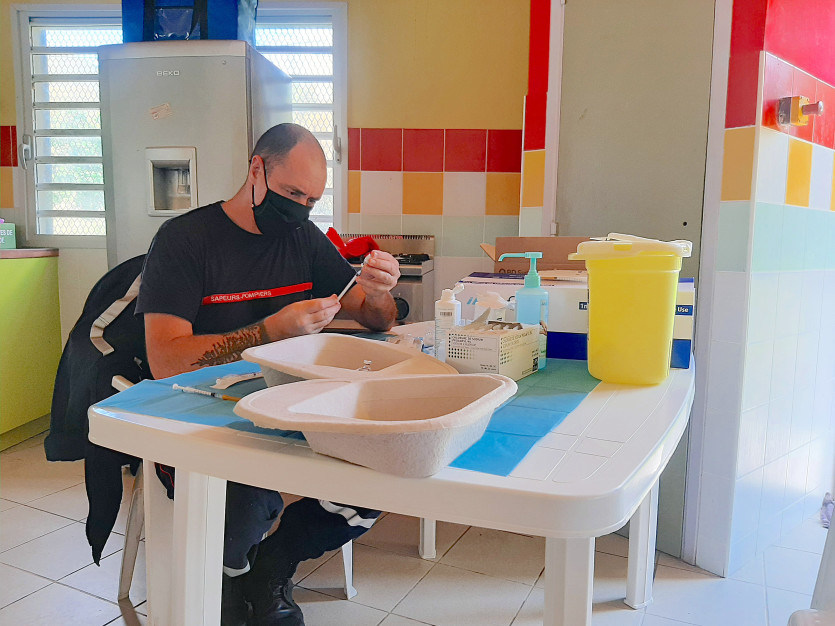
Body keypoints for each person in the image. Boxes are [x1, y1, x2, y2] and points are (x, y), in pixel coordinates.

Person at [135, 123, 401, 625]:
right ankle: (229, 582)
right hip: (201, 419)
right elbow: (165, 361)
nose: (300, 209)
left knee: (384, 467)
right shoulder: (184, 241)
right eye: (292, 194)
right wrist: (269, 331)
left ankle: (273, 565)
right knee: (247, 503)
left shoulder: (302, 237)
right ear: (256, 169)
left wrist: (379, 291)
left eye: (312, 200)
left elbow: (376, 319)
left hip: (287, 408)